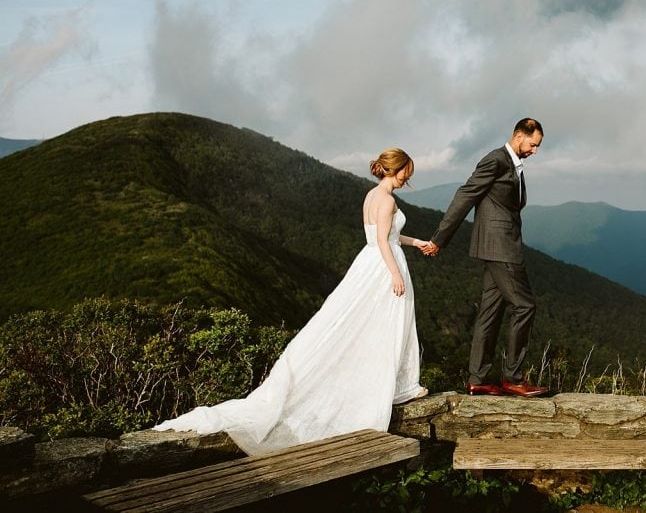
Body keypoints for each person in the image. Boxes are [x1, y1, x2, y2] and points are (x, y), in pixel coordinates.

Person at [154, 148, 431, 455]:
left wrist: (416, 242)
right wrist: (395, 274)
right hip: (382, 267)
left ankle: (390, 384)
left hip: (369, 263)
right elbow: (383, 241)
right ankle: (396, 386)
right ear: (397, 169)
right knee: (385, 325)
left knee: (368, 324)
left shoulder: (371, 195)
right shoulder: (388, 200)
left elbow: (387, 235)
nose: (408, 178)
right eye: (407, 172)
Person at [422, 118, 547, 397]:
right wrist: (439, 238)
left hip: (497, 246)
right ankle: (513, 378)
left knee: (490, 311)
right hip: (500, 247)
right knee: (525, 306)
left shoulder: (511, 163)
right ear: (518, 136)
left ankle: (477, 379)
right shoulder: (496, 160)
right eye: (533, 144)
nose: (535, 150)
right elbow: (465, 195)